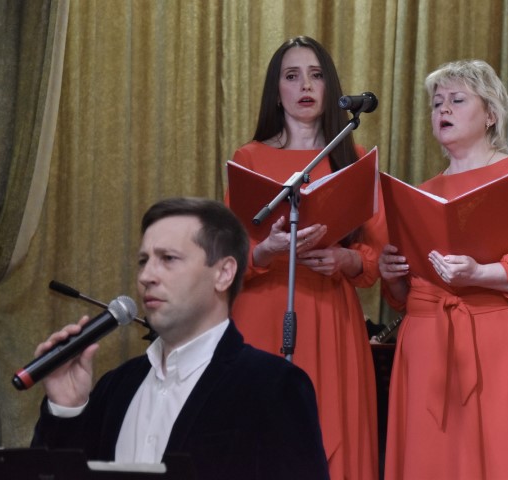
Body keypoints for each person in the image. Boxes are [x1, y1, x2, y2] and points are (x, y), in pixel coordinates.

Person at [29, 197, 329, 480]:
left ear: (223, 273)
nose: (146, 276)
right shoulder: (115, 387)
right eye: (143, 261)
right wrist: (67, 409)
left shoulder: (273, 386)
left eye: (168, 259)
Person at [379, 60, 508, 479]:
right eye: (437, 103)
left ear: (490, 115)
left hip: (497, 342)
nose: (443, 109)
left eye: (457, 100)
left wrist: (479, 274)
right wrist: (392, 273)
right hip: (428, 345)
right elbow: (406, 294)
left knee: (502, 457)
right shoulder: (423, 193)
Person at [225, 36, 386, 480]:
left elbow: (376, 255)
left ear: (330, 87)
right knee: (263, 440)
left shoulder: (352, 158)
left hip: (331, 314)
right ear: (276, 92)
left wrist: (346, 261)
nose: (305, 86)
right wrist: (266, 250)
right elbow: (228, 257)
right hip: (263, 309)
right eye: (292, 76)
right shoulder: (249, 157)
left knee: (331, 434)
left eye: (316, 75)